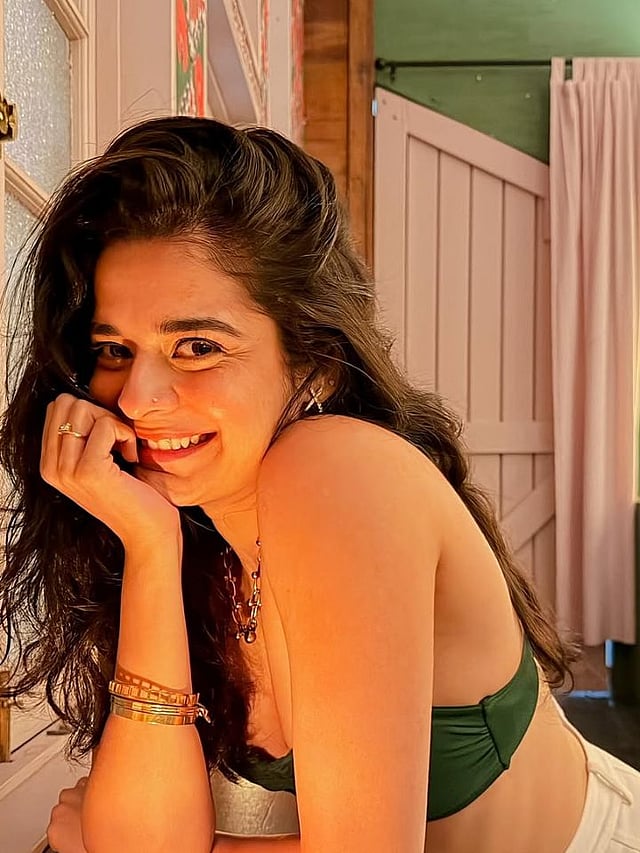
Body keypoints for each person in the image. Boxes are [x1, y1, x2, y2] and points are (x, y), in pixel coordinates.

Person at [0, 116, 638, 853]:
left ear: (316, 364)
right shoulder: (197, 536)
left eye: (197, 346)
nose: (138, 398)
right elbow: (144, 837)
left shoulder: (337, 471)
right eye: (115, 350)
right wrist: (148, 544)